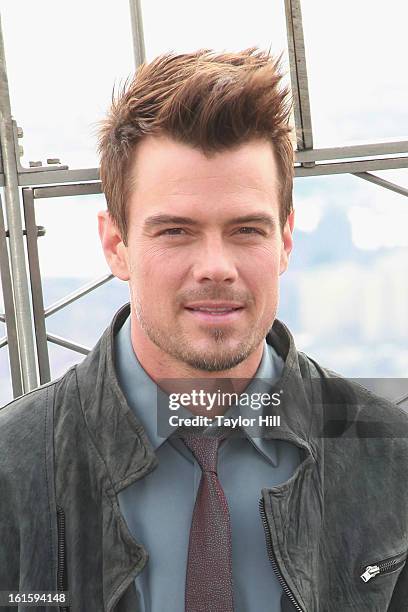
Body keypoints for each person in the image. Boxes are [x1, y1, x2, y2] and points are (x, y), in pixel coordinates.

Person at [0, 48, 407, 612]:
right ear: (116, 244)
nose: (216, 266)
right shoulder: (12, 468)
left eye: (245, 229)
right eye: (175, 232)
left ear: (285, 240)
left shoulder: (391, 457)